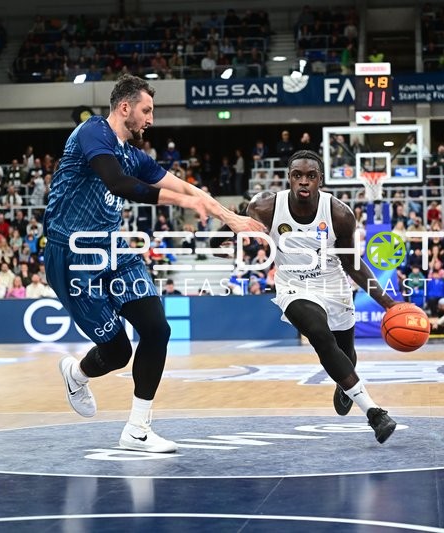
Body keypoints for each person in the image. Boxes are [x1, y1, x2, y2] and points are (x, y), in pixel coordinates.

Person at [45, 75, 263, 454]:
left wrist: (230, 218)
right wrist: (181, 204)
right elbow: (117, 184)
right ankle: (76, 374)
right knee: (116, 353)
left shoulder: (134, 156)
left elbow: (187, 189)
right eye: (147, 111)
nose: (150, 119)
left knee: (157, 329)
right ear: (125, 107)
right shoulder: (92, 133)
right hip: (72, 255)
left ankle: (137, 429)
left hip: (113, 248)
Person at [237, 150, 398, 444]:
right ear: (288, 178)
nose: (303, 182)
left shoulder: (339, 214)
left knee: (346, 354)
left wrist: (389, 304)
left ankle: (344, 383)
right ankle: (374, 412)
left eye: (310, 176)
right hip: (292, 285)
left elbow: (352, 263)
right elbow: (245, 234)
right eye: (297, 175)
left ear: (320, 180)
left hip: (333, 284)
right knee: (319, 335)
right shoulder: (265, 207)